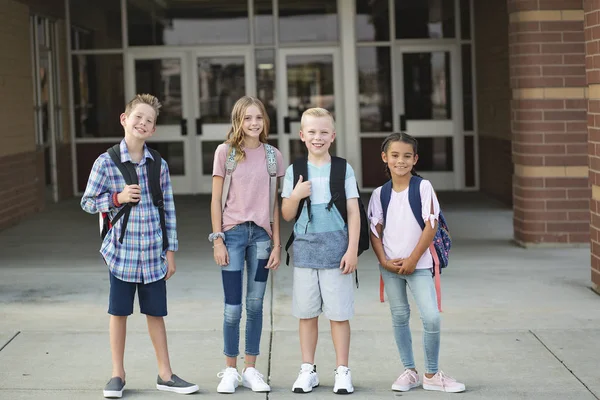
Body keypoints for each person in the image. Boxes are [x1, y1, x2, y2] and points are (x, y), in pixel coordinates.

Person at [81, 94, 199, 398]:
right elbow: (87, 202)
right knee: (118, 313)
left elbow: (168, 208)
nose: (143, 123)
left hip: (152, 253)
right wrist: (116, 198)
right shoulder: (106, 162)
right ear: (124, 119)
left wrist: (170, 251)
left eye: (149, 120)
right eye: (138, 117)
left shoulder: (157, 164)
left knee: (156, 313)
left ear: (154, 130)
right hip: (121, 253)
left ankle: (165, 374)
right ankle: (117, 375)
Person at [368, 132, 465, 393]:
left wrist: (412, 260)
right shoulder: (379, 194)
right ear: (385, 158)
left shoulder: (422, 187)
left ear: (415, 159)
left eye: (407, 156)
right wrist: (384, 260)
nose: (401, 161)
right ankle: (409, 371)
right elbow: (374, 231)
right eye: (395, 155)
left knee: (431, 318)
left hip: (419, 266)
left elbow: (430, 227)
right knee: (399, 317)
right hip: (389, 267)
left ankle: (432, 374)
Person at [281, 107, 360, 394]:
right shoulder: (294, 171)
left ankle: (342, 370)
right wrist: (295, 195)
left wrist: (352, 250)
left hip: (337, 251)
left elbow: (353, 212)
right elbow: (287, 214)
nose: (318, 137)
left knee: (339, 314)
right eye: (312, 132)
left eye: (324, 132)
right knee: (307, 313)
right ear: (302, 136)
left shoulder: (342, 168)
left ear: (333, 136)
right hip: (305, 251)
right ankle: (307, 369)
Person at [210, 96, 285, 394]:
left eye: (259, 118)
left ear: (265, 121)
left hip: (262, 239)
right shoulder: (226, 153)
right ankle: (230, 370)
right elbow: (215, 200)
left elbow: (275, 204)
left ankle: (251, 369)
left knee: (255, 305)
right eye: (247, 118)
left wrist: (277, 244)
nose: (254, 123)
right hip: (233, 236)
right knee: (232, 307)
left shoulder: (273, 156)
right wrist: (217, 239)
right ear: (237, 121)